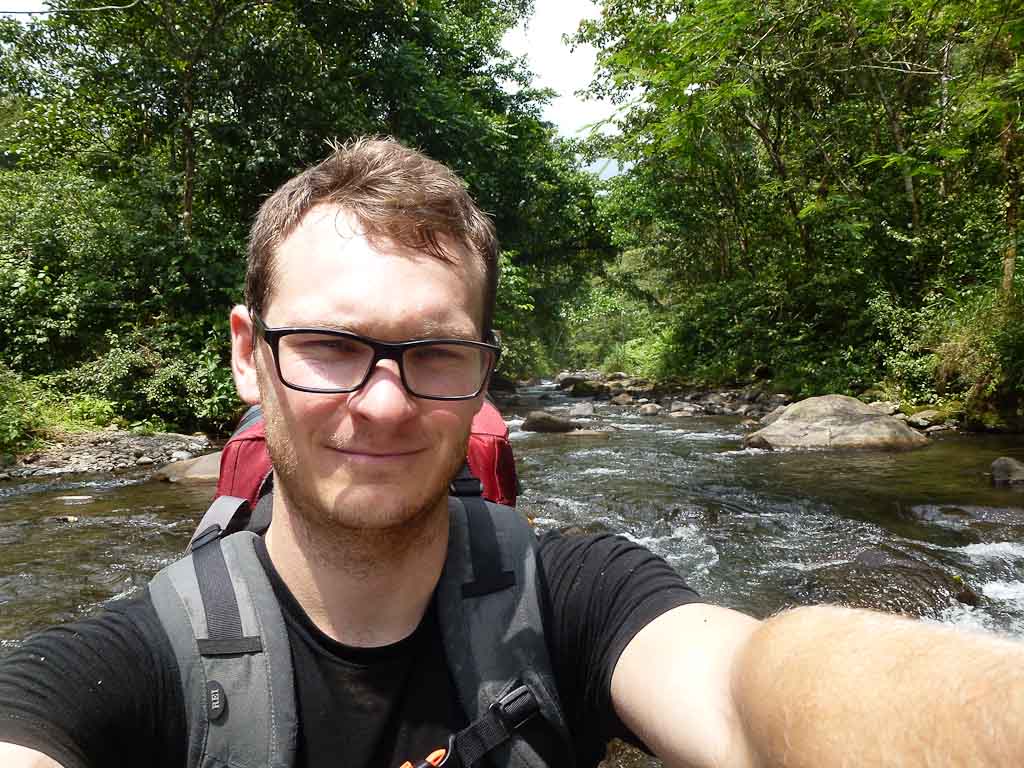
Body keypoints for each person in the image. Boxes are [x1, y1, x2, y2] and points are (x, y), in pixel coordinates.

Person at [1, 138, 1023, 768]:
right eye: (328, 347)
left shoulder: (576, 596)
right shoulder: (124, 668)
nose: (386, 402)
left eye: (434, 352)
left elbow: (750, 687)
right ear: (246, 355)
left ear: (484, 371)